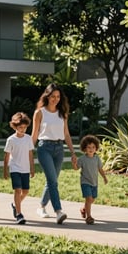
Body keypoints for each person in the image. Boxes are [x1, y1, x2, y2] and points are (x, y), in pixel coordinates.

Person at [31, 83, 77, 224]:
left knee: (53, 181)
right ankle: (58, 211)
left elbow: (66, 134)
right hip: (44, 147)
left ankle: (41, 206)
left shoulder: (62, 113)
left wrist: (73, 152)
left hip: (59, 148)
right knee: (52, 181)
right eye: (53, 96)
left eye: (58, 97)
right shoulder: (39, 113)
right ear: (47, 96)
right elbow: (34, 134)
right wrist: (28, 153)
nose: (55, 99)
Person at [3, 112, 35, 225]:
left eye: (25, 127)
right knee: (18, 190)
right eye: (20, 127)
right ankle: (19, 214)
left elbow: (30, 154)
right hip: (14, 167)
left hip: (25, 168)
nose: (23, 129)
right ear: (15, 126)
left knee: (25, 191)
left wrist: (32, 168)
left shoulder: (28, 138)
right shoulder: (11, 140)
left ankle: (15, 205)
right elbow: (6, 155)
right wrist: (5, 170)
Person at [72, 134, 108, 225]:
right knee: (88, 198)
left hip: (94, 183)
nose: (91, 149)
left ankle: (84, 209)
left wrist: (104, 177)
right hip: (85, 182)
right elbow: (76, 168)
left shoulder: (97, 159)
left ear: (96, 148)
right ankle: (89, 217)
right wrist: (74, 163)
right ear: (84, 148)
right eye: (88, 147)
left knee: (92, 199)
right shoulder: (82, 159)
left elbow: (100, 169)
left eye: (93, 147)